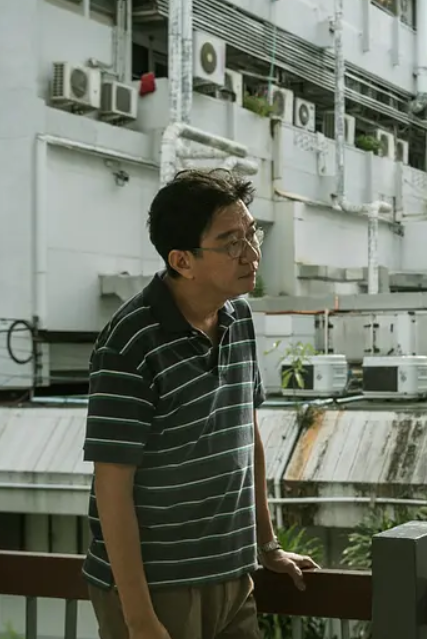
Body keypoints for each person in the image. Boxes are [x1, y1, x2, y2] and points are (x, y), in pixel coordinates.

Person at [81, 169, 318, 639]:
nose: (251, 254)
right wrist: (139, 618)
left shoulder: (239, 317)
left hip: (233, 574)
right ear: (182, 261)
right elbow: (112, 485)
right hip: (158, 588)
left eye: (252, 234)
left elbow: (245, 436)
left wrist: (267, 545)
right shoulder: (130, 342)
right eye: (231, 243)